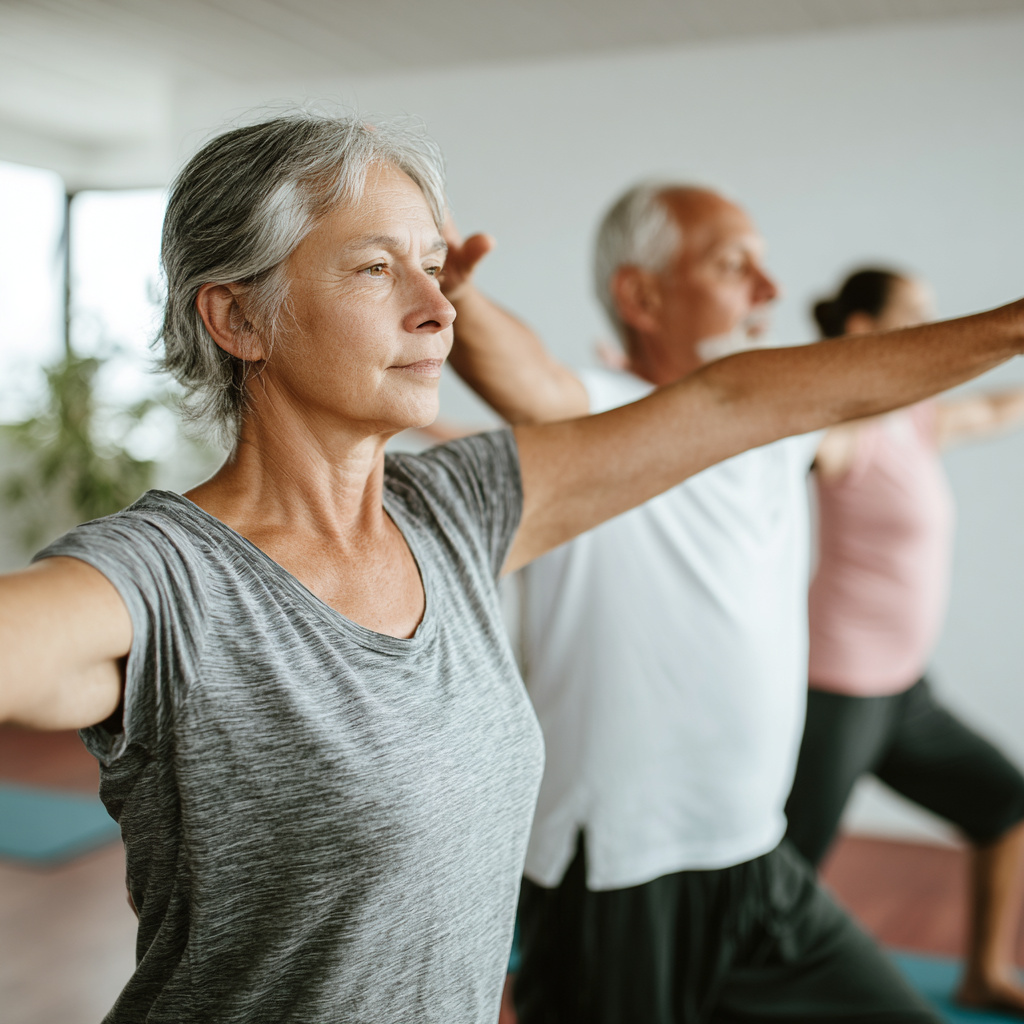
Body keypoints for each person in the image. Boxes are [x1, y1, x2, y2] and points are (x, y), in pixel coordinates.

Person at [0, 127, 1020, 1024]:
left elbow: (729, 405)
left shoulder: (456, 511)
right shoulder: (167, 583)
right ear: (238, 318)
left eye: (433, 269)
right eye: (372, 269)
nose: (437, 311)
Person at [439, 182, 1023, 1023]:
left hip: (754, 860)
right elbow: (531, 382)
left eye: (764, 264)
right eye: (731, 264)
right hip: (619, 877)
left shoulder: (779, 419)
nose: (769, 291)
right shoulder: (597, 415)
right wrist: (456, 298)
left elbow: (885, 384)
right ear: (641, 296)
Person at [785, 268, 1024, 1014]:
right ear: (862, 330)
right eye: (915, 314)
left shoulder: (917, 423)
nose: (932, 325)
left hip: (906, 692)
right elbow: (792, 445)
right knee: (784, 874)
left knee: (1004, 803)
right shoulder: (847, 433)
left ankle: (982, 973)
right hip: (839, 689)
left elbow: (996, 406)